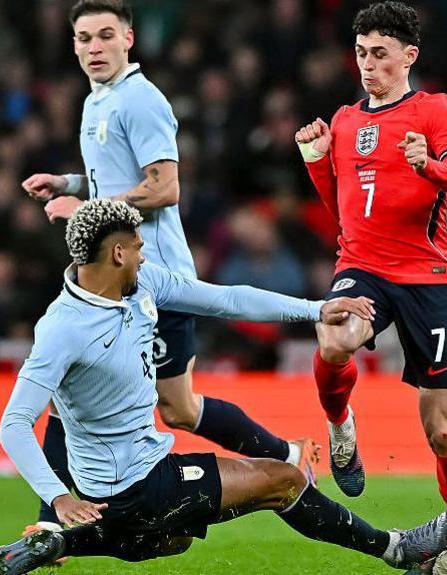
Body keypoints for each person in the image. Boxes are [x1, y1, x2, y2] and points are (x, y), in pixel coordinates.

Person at [0, 200, 447, 574]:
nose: (143, 251)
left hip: (117, 493)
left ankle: (60, 540)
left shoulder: (142, 285)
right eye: (137, 244)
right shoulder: (63, 328)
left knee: (171, 540)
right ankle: (397, 550)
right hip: (140, 486)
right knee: (282, 482)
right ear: (117, 253)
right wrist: (58, 497)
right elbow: (13, 424)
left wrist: (314, 309)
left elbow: (226, 299)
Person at [20, 0, 319, 537]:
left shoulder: (141, 101)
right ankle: (52, 526)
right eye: (84, 38)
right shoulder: (98, 102)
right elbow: (118, 177)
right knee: (114, 399)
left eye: (105, 36)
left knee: (172, 408)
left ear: (129, 39)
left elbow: (164, 186)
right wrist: (69, 183)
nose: (94, 48)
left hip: (147, 278)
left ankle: (286, 456)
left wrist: (86, 211)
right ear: (73, 46)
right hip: (120, 276)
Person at [294, 3, 447, 572]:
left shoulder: (435, 110)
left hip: (426, 277)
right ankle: (340, 426)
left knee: (443, 431)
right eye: (360, 54)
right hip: (364, 267)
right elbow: (345, 217)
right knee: (333, 342)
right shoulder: (347, 121)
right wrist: (317, 162)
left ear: (409, 56)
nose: (368, 65)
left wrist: (430, 167)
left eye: (379, 54)